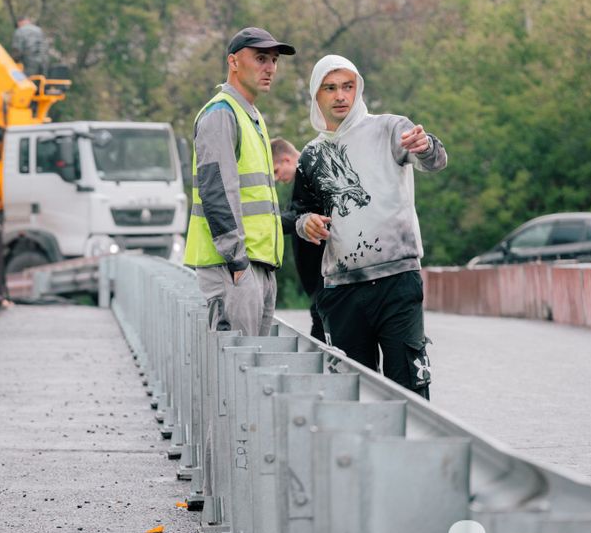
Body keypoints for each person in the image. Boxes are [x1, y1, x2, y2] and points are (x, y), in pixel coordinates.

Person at [291, 55, 447, 398]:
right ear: (316, 96)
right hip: (342, 289)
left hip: (397, 280)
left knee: (409, 388)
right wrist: (308, 224)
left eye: (347, 86)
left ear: (358, 88)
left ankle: (410, 453)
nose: (340, 96)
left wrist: (427, 145)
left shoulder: (390, 127)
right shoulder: (311, 156)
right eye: (330, 89)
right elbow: (298, 215)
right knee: (353, 395)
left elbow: (434, 160)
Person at [183, 27, 296, 336]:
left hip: (256, 264)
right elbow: (216, 191)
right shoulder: (221, 113)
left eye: (274, 60)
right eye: (261, 58)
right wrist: (237, 262)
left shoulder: (251, 115)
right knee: (236, 370)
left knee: (250, 370)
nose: (270, 68)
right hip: (232, 266)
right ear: (233, 62)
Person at [271, 137, 326, 341]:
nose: (276, 179)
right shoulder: (304, 176)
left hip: (326, 271)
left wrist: (269, 222)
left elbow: (303, 214)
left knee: (321, 324)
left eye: (276, 171)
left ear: (286, 160)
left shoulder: (311, 171)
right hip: (319, 276)